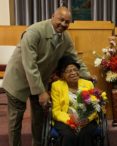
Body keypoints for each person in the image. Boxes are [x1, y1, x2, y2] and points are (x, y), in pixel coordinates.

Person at [3, 7, 91, 146]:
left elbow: (75, 59)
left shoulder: (65, 37)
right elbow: (30, 65)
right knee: (16, 121)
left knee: (39, 119)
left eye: (67, 22)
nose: (63, 24)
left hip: (39, 79)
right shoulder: (34, 32)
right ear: (52, 17)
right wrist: (41, 92)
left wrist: (88, 76)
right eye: (60, 20)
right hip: (18, 79)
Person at [51, 56, 99, 146]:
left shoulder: (88, 84)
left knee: (85, 134)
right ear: (62, 75)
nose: (73, 73)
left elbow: (94, 106)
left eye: (75, 70)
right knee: (68, 136)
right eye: (69, 71)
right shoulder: (56, 86)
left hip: (86, 119)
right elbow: (56, 111)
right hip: (65, 120)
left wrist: (87, 118)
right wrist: (71, 120)